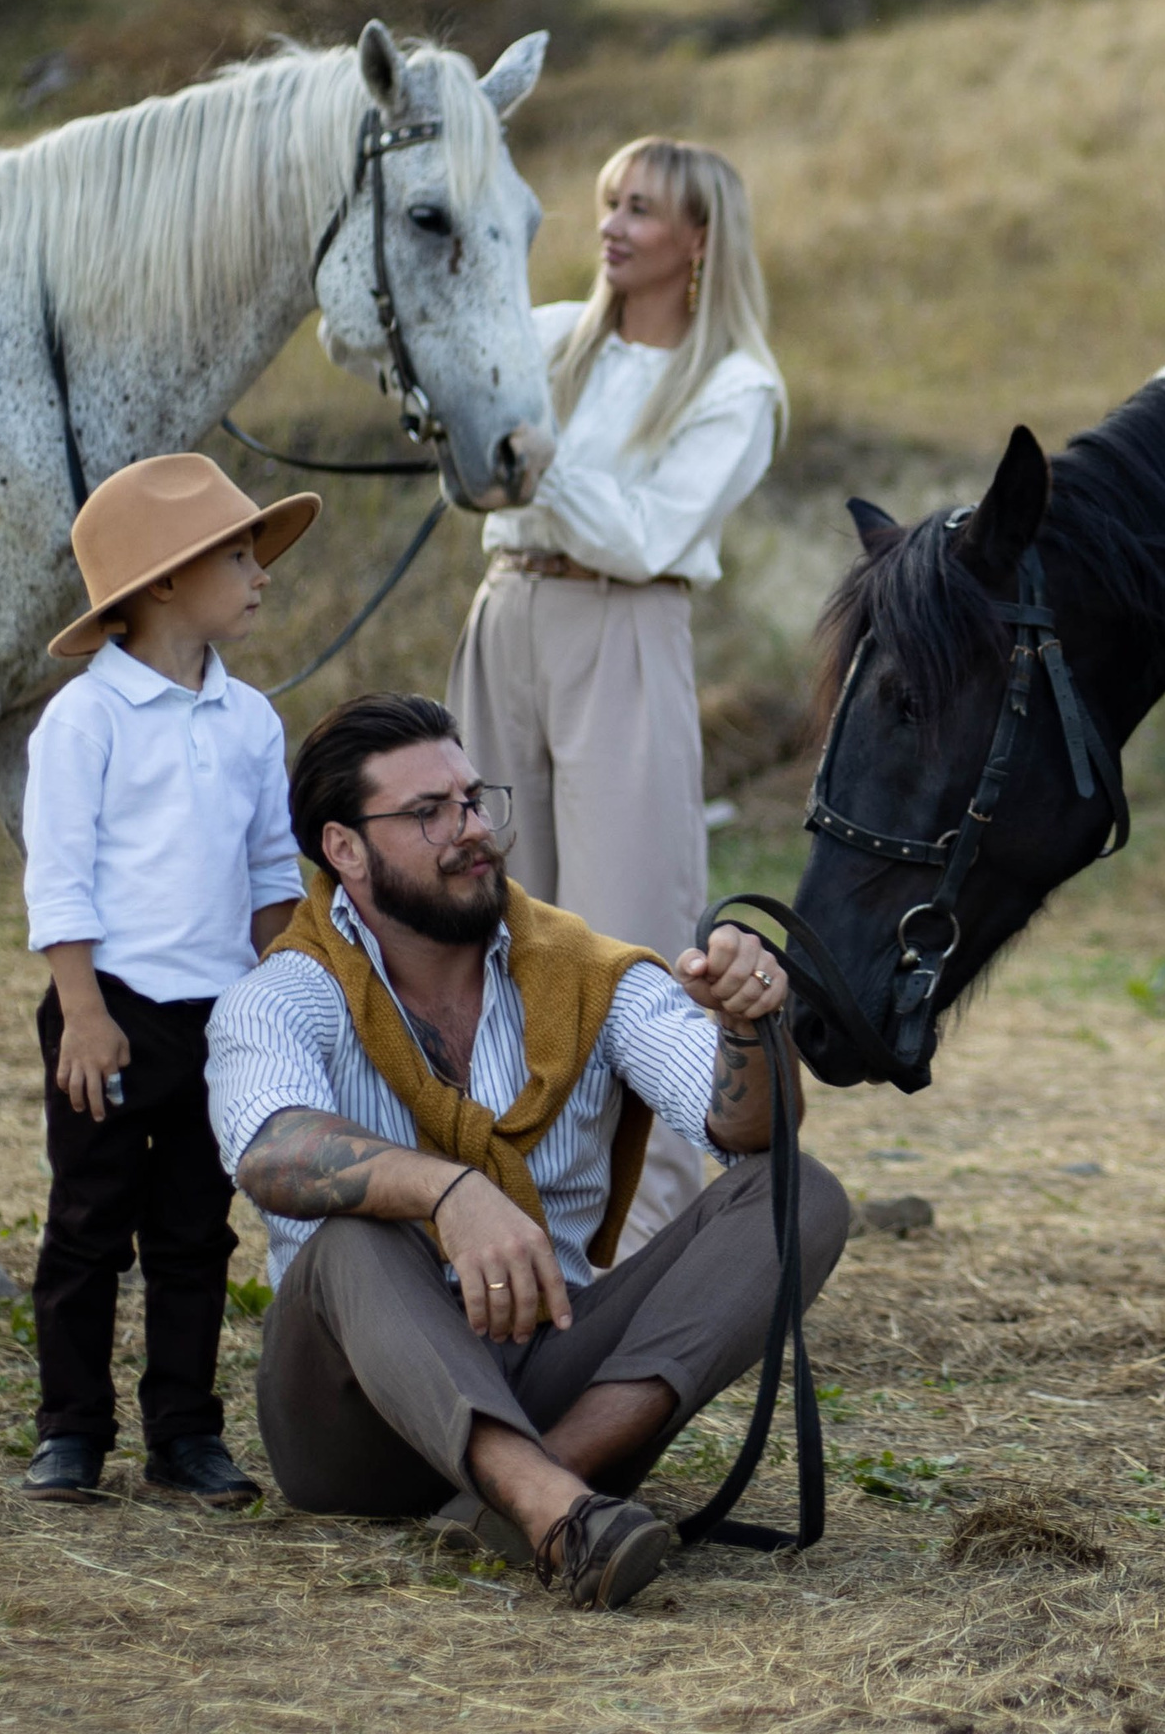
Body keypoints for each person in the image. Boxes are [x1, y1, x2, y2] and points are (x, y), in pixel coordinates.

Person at [205, 690, 847, 1611]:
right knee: (354, 1230)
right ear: (344, 848)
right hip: (355, 1428)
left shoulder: (584, 974)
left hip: (553, 1367)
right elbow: (269, 1149)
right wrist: (447, 1192)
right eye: (426, 813)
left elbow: (744, 1127)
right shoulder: (283, 993)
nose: (469, 829)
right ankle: (555, 1507)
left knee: (799, 1190)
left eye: (472, 799)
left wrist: (751, 1021)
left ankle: (538, 1489)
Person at [450, 136, 785, 1239]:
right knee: (486, 904)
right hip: (506, 610)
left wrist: (540, 459)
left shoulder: (737, 387)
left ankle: (648, 1240)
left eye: (639, 208)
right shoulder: (550, 338)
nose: (611, 224)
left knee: (623, 927)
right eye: (606, 201)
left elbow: (650, 533)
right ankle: (502, 1207)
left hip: (623, 626)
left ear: (697, 241)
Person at [19, 451, 321, 1505]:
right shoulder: (85, 719)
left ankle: (185, 1431)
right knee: (90, 1224)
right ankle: (72, 1428)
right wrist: (85, 1013)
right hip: (109, 1009)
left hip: (223, 1016)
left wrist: (279, 997)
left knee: (195, 1230)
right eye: (238, 556)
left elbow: (271, 875)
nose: (261, 574)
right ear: (161, 582)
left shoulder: (250, 719)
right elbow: (57, 875)